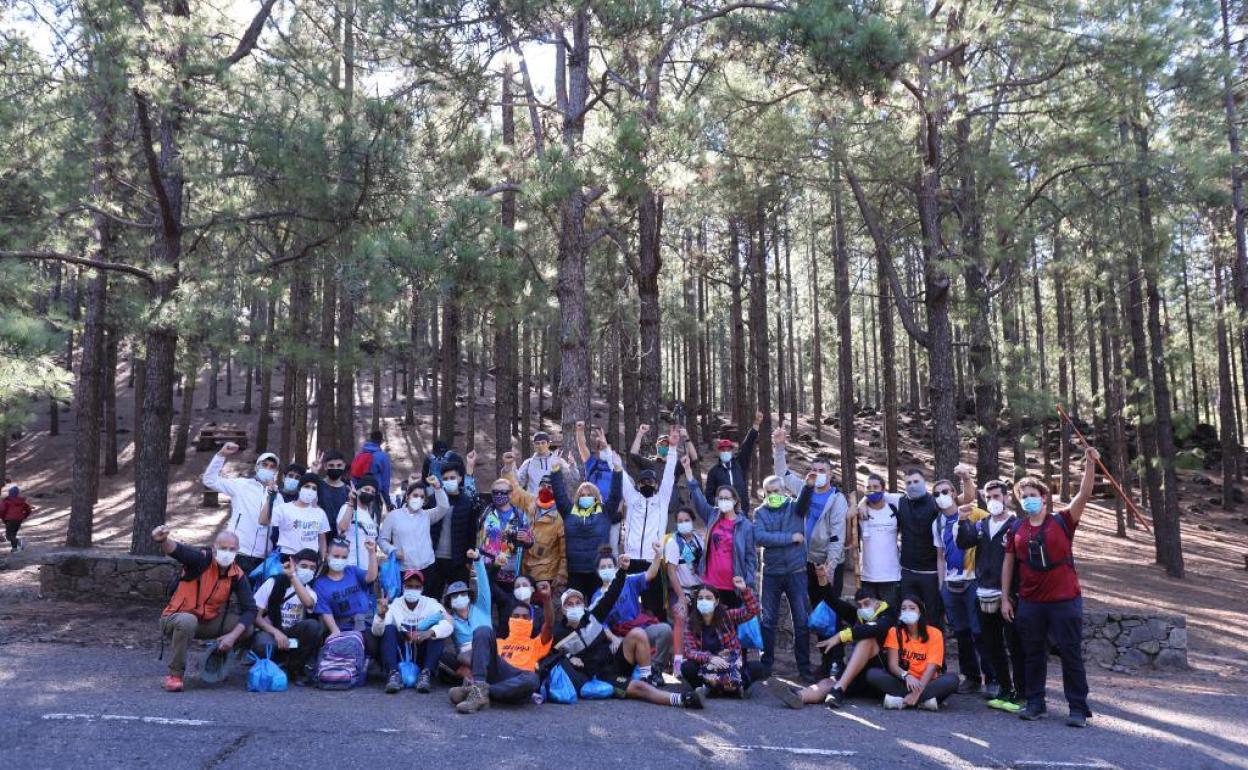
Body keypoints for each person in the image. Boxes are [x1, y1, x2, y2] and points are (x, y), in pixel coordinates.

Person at [1002, 447, 1099, 728]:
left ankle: (1078, 708)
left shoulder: (1063, 521)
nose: (1029, 500)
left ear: (1044, 498)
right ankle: (1035, 703)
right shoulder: (1016, 529)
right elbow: (1009, 563)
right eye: (1024, 496)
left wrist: (1090, 465)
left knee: (1070, 653)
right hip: (1030, 601)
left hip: (1064, 598)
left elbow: (1084, 494)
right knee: (1032, 654)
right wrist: (1006, 597)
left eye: (1033, 495)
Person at [548, 562, 706, 709]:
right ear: (563, 609)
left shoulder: (593, 616)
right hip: (602, 675)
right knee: (640, 689)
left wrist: (623, 570)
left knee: (637, 633)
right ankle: (685, 699)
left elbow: (612, 594)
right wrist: (569, 657)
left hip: (615, 657)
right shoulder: (559, 634)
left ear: (584, 605)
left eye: (578, 603)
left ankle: (647, 676)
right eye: (569, 604)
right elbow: (550, 656)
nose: (575, 606)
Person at [769, 572, 897, 709]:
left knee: (867, 641)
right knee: (827, 682)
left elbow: (872, 629)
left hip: (879, 677)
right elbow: (833, 602)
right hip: (857, 677)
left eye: (867, 604)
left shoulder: (889, 616)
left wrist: (839, 637)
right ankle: (799, 696)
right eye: (859, 606)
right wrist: (823, 580)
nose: (862, 609)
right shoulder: (859, 617)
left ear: (877, 602)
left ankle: (839, 690)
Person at [153, 526, 257, 692]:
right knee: (188, 620)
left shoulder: (237, 574)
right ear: (214, 548)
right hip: (175, 619)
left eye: (232, 549)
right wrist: (163, 540)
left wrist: (232, 636)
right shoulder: (201, 560)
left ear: (237, 551)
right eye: (223, 548)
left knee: (247, 628)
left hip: (206, 622)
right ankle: (175, 675)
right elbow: (178, 551)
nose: (227, 552)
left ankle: (216, 655)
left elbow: (251, 610)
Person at [957, 479, 1025, 712]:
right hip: (983, 593)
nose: (993, 501)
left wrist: (1014, 594)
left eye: (997, 496)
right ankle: (1004, 689)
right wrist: (962, 520)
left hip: (1009, 596)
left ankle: (1022, 693)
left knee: (1014, 646)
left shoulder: (1016, 525)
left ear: (1006, 497)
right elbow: (963, 543)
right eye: (989, 497)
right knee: (992, 645)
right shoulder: (982, 524)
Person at [772, 427, 850, 614]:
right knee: (813, 606)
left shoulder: (837, 499)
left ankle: (835, 642)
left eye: (822, 471)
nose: (817, 474)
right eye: (814, 470)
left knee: (832, 609)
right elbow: (782, 474)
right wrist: (780, 447)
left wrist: (829, 568)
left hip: (828, 562)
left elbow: (837, 536)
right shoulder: (804, 489)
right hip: (806, 559)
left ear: (830, 475)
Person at [933, 479, 994, 695]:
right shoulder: (938, 522)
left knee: (979, 631)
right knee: (961, 632)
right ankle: (971, 677)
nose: (941, 495)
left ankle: (992, 678)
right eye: (937, 493)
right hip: (950, 583)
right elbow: (940, 556)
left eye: (945, 491)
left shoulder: (973, 513)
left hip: (973, 581)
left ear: (954, 493)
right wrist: (942, 585)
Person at [897, 465, 975, 632]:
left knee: (934, 620)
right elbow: (876, 496)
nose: (912, 485)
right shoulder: (900, 501)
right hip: (908, 572)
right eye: (908, 482)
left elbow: (967, 497)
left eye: (916, 481)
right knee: (908, 619)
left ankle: (937, 658)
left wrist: (966, 479)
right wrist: (863, 502)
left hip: (932, 573)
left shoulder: (937, 503)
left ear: (924, 482)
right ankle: (912, 655)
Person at [754, 473, 815, 682]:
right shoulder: (759, 512)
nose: (773, 495)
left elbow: (806, 499)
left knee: (801, 621)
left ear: (785, 491)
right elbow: (760, 538)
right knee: (768, 620)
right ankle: (766, 667)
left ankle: (804, 669)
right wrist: (790, 538)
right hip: (771, 572)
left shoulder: (795, 508)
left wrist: (808, 485)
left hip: (796, 572)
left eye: (776, 491)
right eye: (769, 492)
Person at [619, 424, 680, 618]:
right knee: (630, 608)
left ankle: (658, 643)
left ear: (656, 484)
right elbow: (619, 473)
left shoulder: (661, 500)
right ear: (637, 485)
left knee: (654, 608)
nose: (647, 485)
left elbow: (669, 475)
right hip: (632, 561)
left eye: (650, 482)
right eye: (643, 482)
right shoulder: (633, 498)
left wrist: (672, 449)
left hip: (653, 560)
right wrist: (606, 453)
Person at [683, 455, 756, 608]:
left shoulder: (745, 525)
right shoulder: (712, 515)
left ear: (735, 501)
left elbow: (751, 558)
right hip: (710, 584)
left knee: (731, 626)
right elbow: (698, 498)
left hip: (733, 586)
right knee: (711, 624)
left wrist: (747, 583)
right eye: (720, 498)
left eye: (727, 498)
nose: (723, 501)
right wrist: (688, 470)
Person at [592, 544, 673, 679]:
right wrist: (614, 639)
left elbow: (650, 574)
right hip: (621, 638)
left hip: (641, 628)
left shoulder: (627, 580)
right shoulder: (597, 597)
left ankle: (655, 668)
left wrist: (658, 555)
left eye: (610, 566)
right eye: (603, 567)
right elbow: (602, 624)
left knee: (665, 630)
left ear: (616, 568)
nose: (607, 570)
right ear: (597, 571)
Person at [865, 595, 958, 710]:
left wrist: (917, 692)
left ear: (920, 612)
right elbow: (893, 665)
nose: (907, 611)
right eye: (903, 609)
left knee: (952, 680)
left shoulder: (935, 633)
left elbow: (932, 667)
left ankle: (900, 701)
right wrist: (906, 675)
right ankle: (924, 702)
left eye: (912, 608)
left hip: (927, 682)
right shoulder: (895, 632)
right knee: (873, 674)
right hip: (903, 681)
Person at [201, 441, 279, 574]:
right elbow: (209, 480)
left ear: (275, 471)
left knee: (254, 595)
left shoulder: (278, 496)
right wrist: (221, 455)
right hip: (238, 552)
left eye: (272, 467)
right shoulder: (241, 485)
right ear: (256, 467)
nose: (267, 468)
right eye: (264, 465)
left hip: (262, 557)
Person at [682, 576, 765, 697]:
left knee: (757, 667)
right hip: (706, 668)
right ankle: (729, 688)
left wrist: (744, 590)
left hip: (730, 665)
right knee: (687, 668)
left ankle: (716, 688)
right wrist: (710, 658)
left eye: (708, 598)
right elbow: (689, 651)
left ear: (716, 601)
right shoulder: (690, 623)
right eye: (700, 598)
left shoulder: (727, 616)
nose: (704, 601)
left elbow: (752, 610)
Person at [373, 569, 453, 693]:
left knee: (437, 632)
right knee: (388, 628)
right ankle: (393, 674)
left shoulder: (430, 603)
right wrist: (380, 616)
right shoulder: (395, 604)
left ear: (422, 589)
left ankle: (426, 674)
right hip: (402, 655)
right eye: (409, 586)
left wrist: (429, 632)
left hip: (422, 652)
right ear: (403, 587)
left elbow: (448, 623)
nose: (413, 589)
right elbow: (377, 632)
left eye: (417, 587)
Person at [251, 549, 323, 685]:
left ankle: (294, 668)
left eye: (312, 568)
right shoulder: (272, 583)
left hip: (293, 634)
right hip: (271, 631)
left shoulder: (310, 592)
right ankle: (272, 665)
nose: (308, 570)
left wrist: (293, 577)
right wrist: (276, 632)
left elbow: (308, 603)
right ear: (294, 564)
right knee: (263, 644)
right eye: (304, 566)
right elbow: (256, 616)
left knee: (313, 626)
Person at [558, 454, 624, 600]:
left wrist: (618, 470)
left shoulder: (605, 512)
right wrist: (555, 470)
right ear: (577, 497)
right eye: (582, 495)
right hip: (575, 572)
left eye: (589, 494)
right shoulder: (569, 512)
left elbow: (615, 495)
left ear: (596, 497)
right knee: (575, 613)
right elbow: (560, 495)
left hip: (598, 572)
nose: (586, 497)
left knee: (598, 611)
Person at [501, 457, 568, 593]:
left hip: (546, 574)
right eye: (543, 486)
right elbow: (515, 492)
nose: (546, 489)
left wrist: (562, 574)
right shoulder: (531, 502)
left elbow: (564, 551)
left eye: (550, 487)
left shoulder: (560, 517)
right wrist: (508, 469)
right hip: (524, 569)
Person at [312, 537, 381, 660]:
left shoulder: (352, 571)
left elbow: (371, 577)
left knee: (376, 646)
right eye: (336, 556)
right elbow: (325, 611)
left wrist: (371, 553)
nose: (340, 560)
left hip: (366, 622)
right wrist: (334, 631)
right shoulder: (320, 584)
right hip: (344, 627)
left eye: (344, 557)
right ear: (327, 555)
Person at [477, 466, 532, 618]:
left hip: (510, 572)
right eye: (495, 492)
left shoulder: (520, 515)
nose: (499, 495)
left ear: (510, 494)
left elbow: (530, 539)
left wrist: (526, 539)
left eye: (503, 492)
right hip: (487, 570)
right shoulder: (485, 512)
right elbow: (474, 536)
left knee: (507, 611)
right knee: (485, 610)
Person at [427, 452, 480, 602]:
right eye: (445, 479)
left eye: (452, 478)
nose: (449, 481)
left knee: (459, 602)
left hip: (458, 562)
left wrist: (469, 562)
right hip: (434, 560)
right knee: (431, 600)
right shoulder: (433, 500)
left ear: (460, 478)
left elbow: (472, 532)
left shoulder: (467, 502)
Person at [379, 477, 451, 573]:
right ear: (407, 496)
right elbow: (382, 540)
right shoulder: (393, 516)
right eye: (415, 495)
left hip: (428, 566)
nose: (418, 499)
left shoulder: (426, 515)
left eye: (422, 497)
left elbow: (443, 507)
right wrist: (393, 551)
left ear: (424, 501)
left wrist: (437, 488)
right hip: (404, 569)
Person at [442, 550, 494, 682]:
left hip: (487, 653)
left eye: (463, 594)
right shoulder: (450, 619)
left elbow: (484, 586)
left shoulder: (482, 608)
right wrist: (441, 612)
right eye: (455, 596)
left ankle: (470, 676)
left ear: (469, 597)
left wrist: (477, 560)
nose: (459, 598)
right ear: (450, 602)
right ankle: (474, 676)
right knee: (444, 658)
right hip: (466, 658)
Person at [663, 506, 703, 672]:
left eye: (686, 520)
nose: (683, 523)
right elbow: (671, 572)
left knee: (698, 625)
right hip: (681, 590)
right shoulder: (674, 542)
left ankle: (698, 659)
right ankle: (678, 664)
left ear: (692, 521)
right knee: (680, 620)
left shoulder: (698, 540)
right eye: (680, 521)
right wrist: (680, 597)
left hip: (699, 590)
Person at [258, 472, 330, 559]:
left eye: (314, 488)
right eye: (307, 486)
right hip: (287, 557)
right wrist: (269, 498)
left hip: (310, 560)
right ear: (299, 489)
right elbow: (263, 521)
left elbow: (322, 540)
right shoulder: (284, 509)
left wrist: (322, 560)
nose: (310, 490)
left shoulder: (320, 513)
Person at [857, 473, 901, 605]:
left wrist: (863, 501)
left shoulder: (894, 508)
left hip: (891, 575)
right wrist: (862, 503)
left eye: (876, 487)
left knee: (891, 616)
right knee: (871, 618)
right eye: (868, 487)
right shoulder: (860, 513)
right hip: (867, 575)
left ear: (883, 489)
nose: (872, 490)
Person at [704, 410, 762, 506]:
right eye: (723, 450)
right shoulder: (713, 472)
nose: (725, 452)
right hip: (723, 514)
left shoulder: (739, 464)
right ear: (718, 452)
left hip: (741, 513)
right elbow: (709, 496)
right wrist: (720, 505)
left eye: (728, 450)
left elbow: (747, 446)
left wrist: (756, 424)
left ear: (732, 451)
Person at [336, 475, 382, 570]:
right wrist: (351, 504)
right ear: (357, 490)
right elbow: (342, 528)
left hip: (367, 568)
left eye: (373, 492)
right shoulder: (347, 508)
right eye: (366, 489)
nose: (369, 493)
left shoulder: (371, 515)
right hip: (350, 566)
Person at [516, 430, 579, 496]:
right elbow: (518, 483)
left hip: (554, 504)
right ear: (534, 445)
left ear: (548, 444)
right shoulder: (528, 463)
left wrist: (572, 465)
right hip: (534, 503)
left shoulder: (558, 461)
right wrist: (511, 468)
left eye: (543, 443)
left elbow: (573, 480)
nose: (540, 446)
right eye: (537, 443)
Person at [352, 430, 393, 509]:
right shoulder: (383, 457)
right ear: (381, 441)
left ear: (370, 439)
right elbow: (385, 481)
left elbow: (354, 475)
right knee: (373, 519)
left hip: (360, 494)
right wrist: (388, 502)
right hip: (374, 495)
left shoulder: (359, 454)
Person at [576, 421, 616, 500]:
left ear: (610, 447)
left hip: (611, 509)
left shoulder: (617, 465)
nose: (601, 448)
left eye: (604, 445)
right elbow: (582, 447)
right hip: (591, 508)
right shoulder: (592, 464)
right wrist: (580, 431)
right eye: (598, 446)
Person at [314, 450, 351, 523]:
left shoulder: (348, 490)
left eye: (339, 465)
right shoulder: (317, 486)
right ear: (325, 466)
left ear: (344, 466)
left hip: (341, 532)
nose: (335, 468)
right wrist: (314, 472)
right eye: (331, 465)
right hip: (320, 531)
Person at [1, 485, 33, 552]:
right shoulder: (22, 501)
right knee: (13, 534)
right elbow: (28, 510)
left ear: (10, 493)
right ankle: (14, 548)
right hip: (18, 520)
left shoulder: (7, 501)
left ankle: (19, 542)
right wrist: (24, 516)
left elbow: (2, 510)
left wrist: (2, 517)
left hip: (9, 519)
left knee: (9, 536)